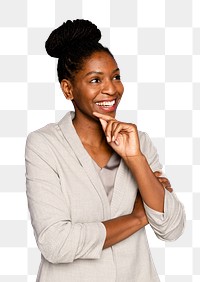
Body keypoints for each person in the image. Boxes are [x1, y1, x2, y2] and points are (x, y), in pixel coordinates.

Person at [25, 19, 185, 282]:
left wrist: (135, 159)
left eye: (116, 77)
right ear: (68, 89)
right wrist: (136, 218)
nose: (111, 89)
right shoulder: (44, 145)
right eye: (95, 80)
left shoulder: (138, 142)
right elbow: (55, 243)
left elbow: (171, 227)